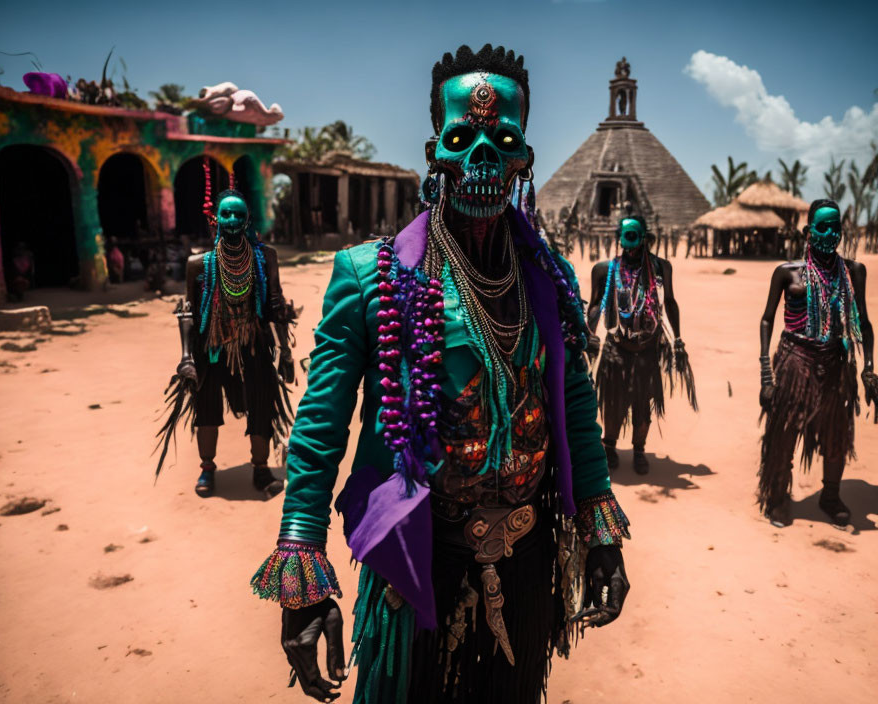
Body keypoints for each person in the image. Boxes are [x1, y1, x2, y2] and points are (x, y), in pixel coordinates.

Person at [252, 44, 630, 704]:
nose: (483, 155)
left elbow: (574, 404)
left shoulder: (548, 275)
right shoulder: (368, 276)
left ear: (524, 159)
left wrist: (600, 532)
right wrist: (302, 561)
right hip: (417, 562)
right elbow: (318, 429)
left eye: (503, 138)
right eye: (463, 137)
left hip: (524, 561)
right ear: (435, 152)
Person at [155, 189, 297, 496]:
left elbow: (275, 305)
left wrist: (285, 351)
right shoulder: (198, 264)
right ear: (215, 219)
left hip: (254, 343)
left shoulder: (266, 258)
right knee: (205, 404)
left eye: (239, 215)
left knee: (261, 403)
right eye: (226, 214)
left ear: (248, 221)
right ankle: (208, 468)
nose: (232, 220)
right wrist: (187, 358)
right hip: (211, 346)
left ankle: (260, 468)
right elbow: (189, 312)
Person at [758, 199, 876, 527]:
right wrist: (766, 374)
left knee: (837, 433)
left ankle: (830, 495)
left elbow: (864, 322)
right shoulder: (787, 273)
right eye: (822, 227)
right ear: (808, 232)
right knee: (783, 431)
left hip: (836, 363)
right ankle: (778, 496)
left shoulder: (853, 271)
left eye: (835, 227)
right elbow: (767, 320)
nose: (830, 234)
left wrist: (868, 368)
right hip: (794, 362)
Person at [587, 215, 697, 473]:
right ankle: (609, 446)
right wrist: (589, 332)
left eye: (634, 238)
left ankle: (639, 449)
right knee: (612, 403)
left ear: (645, 237)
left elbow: (669, 301)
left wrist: (678, 339)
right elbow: (594, 305)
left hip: (648, 347)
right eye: (625, 238)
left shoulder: (661, 268)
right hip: (616, 345)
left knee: (643, 404)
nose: (629, 245)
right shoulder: (604, 270)